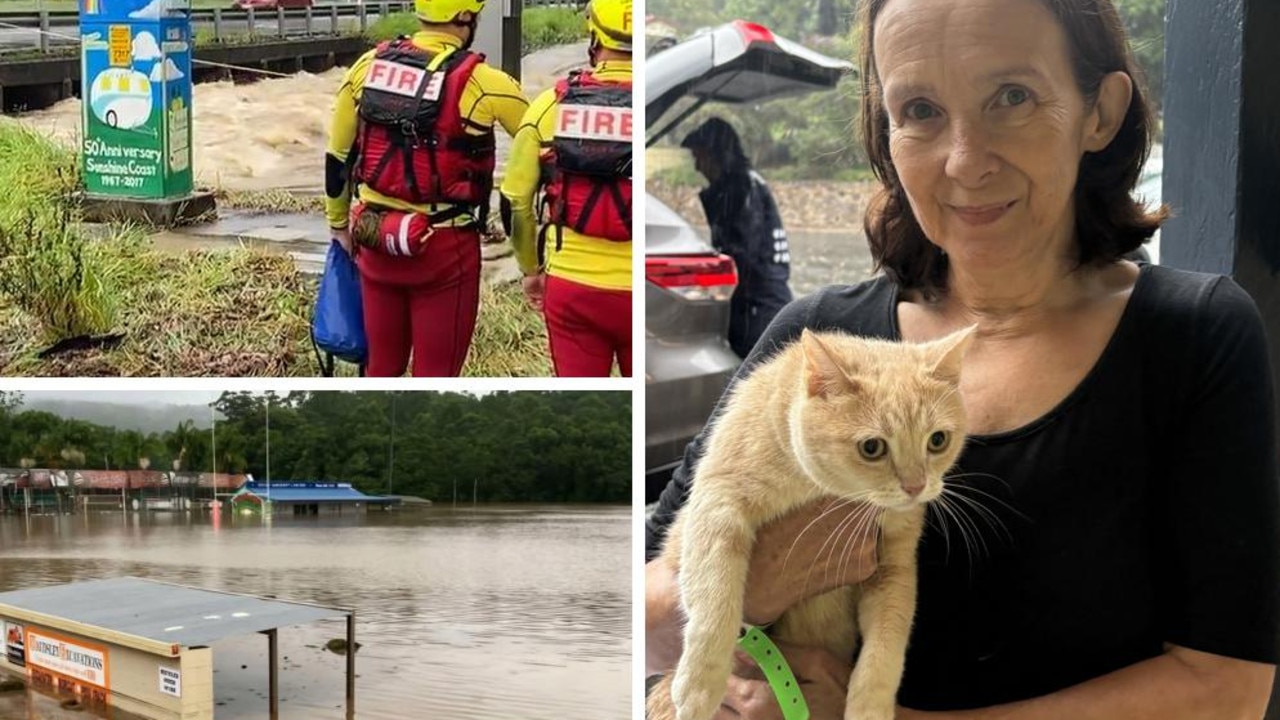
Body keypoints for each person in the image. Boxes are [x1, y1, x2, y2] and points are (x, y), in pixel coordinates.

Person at [646, 0, 1279, 717]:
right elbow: (637, 612)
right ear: (887, 132)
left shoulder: (1191, 337)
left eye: (1011, 97)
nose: (965, 161)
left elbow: (1226, 687)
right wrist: (752, 586)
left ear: (1098, 112)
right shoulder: (818, 338)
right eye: (919, 108)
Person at [324, 0, 527, 377]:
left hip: (375, 239)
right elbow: (541, 144)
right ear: (466, 17)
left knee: (381, 369)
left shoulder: (367, 67)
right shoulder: (486, 83)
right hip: (445, 250)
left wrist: (339, 227)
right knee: (437, 378)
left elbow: (337, 157)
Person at [500, 0, 633, 377]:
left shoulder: (549, 106)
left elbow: (515, 200)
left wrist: (530, 269)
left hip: (573, 287)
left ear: (594, 37)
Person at [681, 117, 793, 359]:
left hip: (759, 309)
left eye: (699, 157)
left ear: (716, 154)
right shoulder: (739, 185)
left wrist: (701, 282)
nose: (697, 167)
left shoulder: (742, 189)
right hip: (759, 303)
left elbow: (741, 255)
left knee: (752, 378)